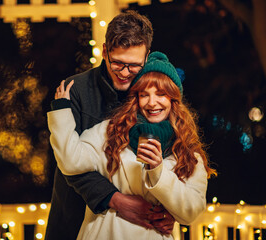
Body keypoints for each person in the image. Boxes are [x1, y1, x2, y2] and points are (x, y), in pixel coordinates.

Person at [48, 51, 217, 239]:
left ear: (173, 99)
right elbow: (71, 161)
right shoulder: (110, 132)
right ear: (136, 98)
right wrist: (62, 111)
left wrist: (158, 171)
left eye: (161, 94)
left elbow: (190, 212)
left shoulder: (187, 152)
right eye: (144, 94)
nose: (152, 103)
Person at [45, 10, 175, 240]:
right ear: (104, 52)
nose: (125, 73)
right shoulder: (74, 91)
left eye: (134, 65)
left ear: (146, 57)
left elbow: (173, 153)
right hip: (77, 214)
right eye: (118, 63)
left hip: (142, 226)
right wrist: (115, 199)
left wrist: (171, 206)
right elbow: (67, 159)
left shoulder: (153, 94)